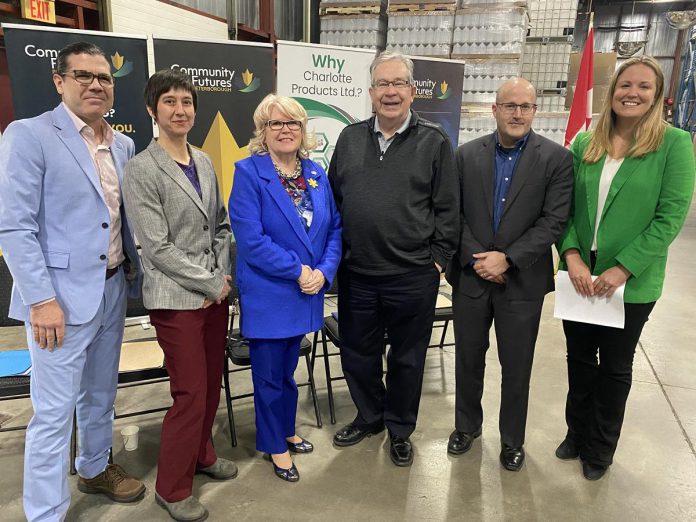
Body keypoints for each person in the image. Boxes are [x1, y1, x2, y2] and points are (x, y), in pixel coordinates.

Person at [0, 42, 145, 521]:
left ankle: (93, 468)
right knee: (53, 413)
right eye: (83, 75)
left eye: (103, 77)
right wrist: (41, 300)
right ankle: (45, 512)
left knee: (101, 394)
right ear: (59, 81)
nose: (96, 84)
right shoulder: (29, 135)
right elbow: (15, 226)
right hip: (57, 301)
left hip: (110, 289)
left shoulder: (122, 144)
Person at [555, 56, 695, 481]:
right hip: (580, 274)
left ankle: (600, 447)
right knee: (578, 359)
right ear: (613, 90)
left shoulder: (674, 145)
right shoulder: (586, 144)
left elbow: (670, 218)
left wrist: (624, 269)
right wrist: (572, 255)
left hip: (629, 283)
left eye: (644, 87)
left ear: (657, 96)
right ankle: (576, 433)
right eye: (625, 85)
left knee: (614, 366)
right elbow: (565, 209)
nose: (632, 93)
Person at [328, 51, 459, 467]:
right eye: (382, 84)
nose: (390, 92)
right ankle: (370, 415)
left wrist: (436, 261)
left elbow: (449, 209)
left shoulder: (434, 141)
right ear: (370, 93)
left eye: (398, 83)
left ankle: (400, 428)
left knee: (407, 358)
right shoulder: (349, 139)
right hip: (358, 275)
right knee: (357, 353)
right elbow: (333, 202)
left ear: (412, 91)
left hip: (411, 276)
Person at [122, 69, 236, 521]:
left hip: (215, 294)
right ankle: (172, 487)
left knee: (211, 384)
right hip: (176, 300)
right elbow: (156, 247)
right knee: (189, 392)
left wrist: (222, 277)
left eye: (186, 101)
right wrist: (209, 283)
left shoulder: (204, 160)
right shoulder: (141, 168)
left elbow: (221, 225)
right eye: (169, 101)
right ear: (153, 110)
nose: (180, 109)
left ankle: (203, 455)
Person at [445, 78, 573, 471]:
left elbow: (553, 221)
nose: (518, 113)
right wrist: (478, 259)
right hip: (471, 276)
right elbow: (454, 214)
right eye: (510, 105)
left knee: (517, 366)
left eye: (526, 107)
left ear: (535, 111)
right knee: (468, 358)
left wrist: (508, 259)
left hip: (522, 281)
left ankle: (512, 440)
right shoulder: (465, 155)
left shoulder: (556, 159)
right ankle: (467, 427)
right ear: (495, 109)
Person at [229, 94, 341, 482]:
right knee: (269, 375)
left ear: (303, 130)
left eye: (292, 123)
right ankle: (274, 444)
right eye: (276, 123)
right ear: (263, 131)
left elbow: (334, 229)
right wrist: (299, 272)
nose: (285, 129)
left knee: (289, 370)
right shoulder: (249, 172)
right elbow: (251, 240)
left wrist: (324, 271)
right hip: (271, 292)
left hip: (306, 291)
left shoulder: (315, 172)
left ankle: (287, 429)